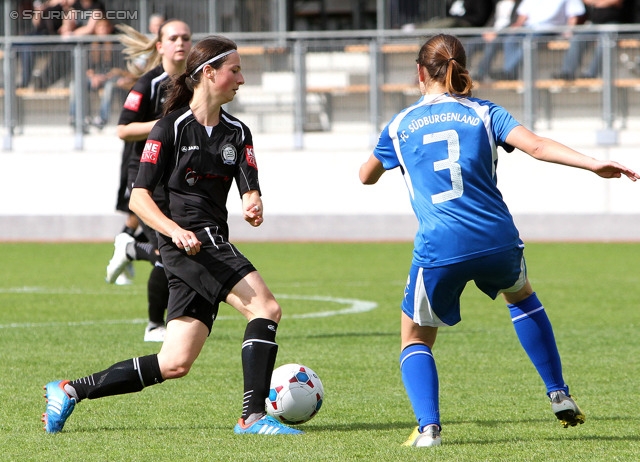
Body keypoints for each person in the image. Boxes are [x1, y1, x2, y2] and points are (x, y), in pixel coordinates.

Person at [358, 33, 639, 447]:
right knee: (522, 297)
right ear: (462, 68)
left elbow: (365, 175)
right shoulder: (485, 113)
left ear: (420, 73)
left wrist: (390, 158)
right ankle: (557, 391)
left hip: (441, 245)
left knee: (415, 336)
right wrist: (594, 163)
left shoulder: (399, 125)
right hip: (497, 238)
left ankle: (429, 428)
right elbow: (539, 147)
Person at [42, 34, 303, 437]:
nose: (242, 79)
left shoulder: (238, 132)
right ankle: (252, 417)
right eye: (235, 70)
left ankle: (70, 390)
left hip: (203, 243)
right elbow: (139, 199)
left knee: (174, 363)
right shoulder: (170, 128)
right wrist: (174, 231)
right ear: (209, 73)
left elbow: (250, 187)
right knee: (265, 309)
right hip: (194, 244)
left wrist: (254, 204)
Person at [104, 19, 192, 343]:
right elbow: (123, 129)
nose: (180, 43)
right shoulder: (148, 83)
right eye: (173, 38)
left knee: (172, 250)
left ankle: (130, 248)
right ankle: (156, 325)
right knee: (165, 251)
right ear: (160, 46)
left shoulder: (195, 82)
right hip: (144, 175)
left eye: (186, 37)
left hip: (176, 177)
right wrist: (163, 124)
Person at [489, 0, 586, 80]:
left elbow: (574, 15)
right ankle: (509, 72)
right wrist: (516, 27)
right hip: (528, 28)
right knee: (510, 40)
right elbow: (523, 15)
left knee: (528, 43)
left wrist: (569, 31)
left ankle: (509, 71)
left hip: (549, 29)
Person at [552, 0, 626, 80]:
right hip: (594, 24)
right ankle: (567, 72)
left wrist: (597, 2)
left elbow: (616, 2)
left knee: (605, 42)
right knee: (577, 39)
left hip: (613, 23)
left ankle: (591, 74)